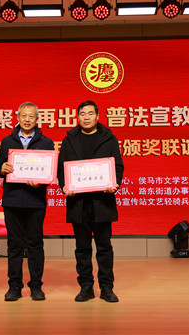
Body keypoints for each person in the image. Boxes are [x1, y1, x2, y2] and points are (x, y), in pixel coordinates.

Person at [57, 100, 124, 303]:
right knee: (82, 248)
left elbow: (118, 166)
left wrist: (114, 184)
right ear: (78, 117)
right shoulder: (69, 139)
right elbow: (62, 167)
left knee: (104, 247)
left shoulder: (109, 138)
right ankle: (86, 286)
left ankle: (106, 287)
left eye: (90, 113)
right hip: (78, 202)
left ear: (97, 116)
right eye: (82, 114)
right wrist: (64, 186)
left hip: (102, 201)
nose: (86, 117)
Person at [0, 102, 55, 301]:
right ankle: (14, 286)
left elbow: (51, 172)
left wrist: (41, 181)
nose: (27, 119)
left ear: (37, 119)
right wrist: (1, 168)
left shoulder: (46, 143)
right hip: (12, 200)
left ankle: (36, 286)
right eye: (23, 116)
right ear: (18, 118)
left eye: (31, 116)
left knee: (35, 244)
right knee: (14, 245)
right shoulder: (7, 141)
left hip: (35, 201)